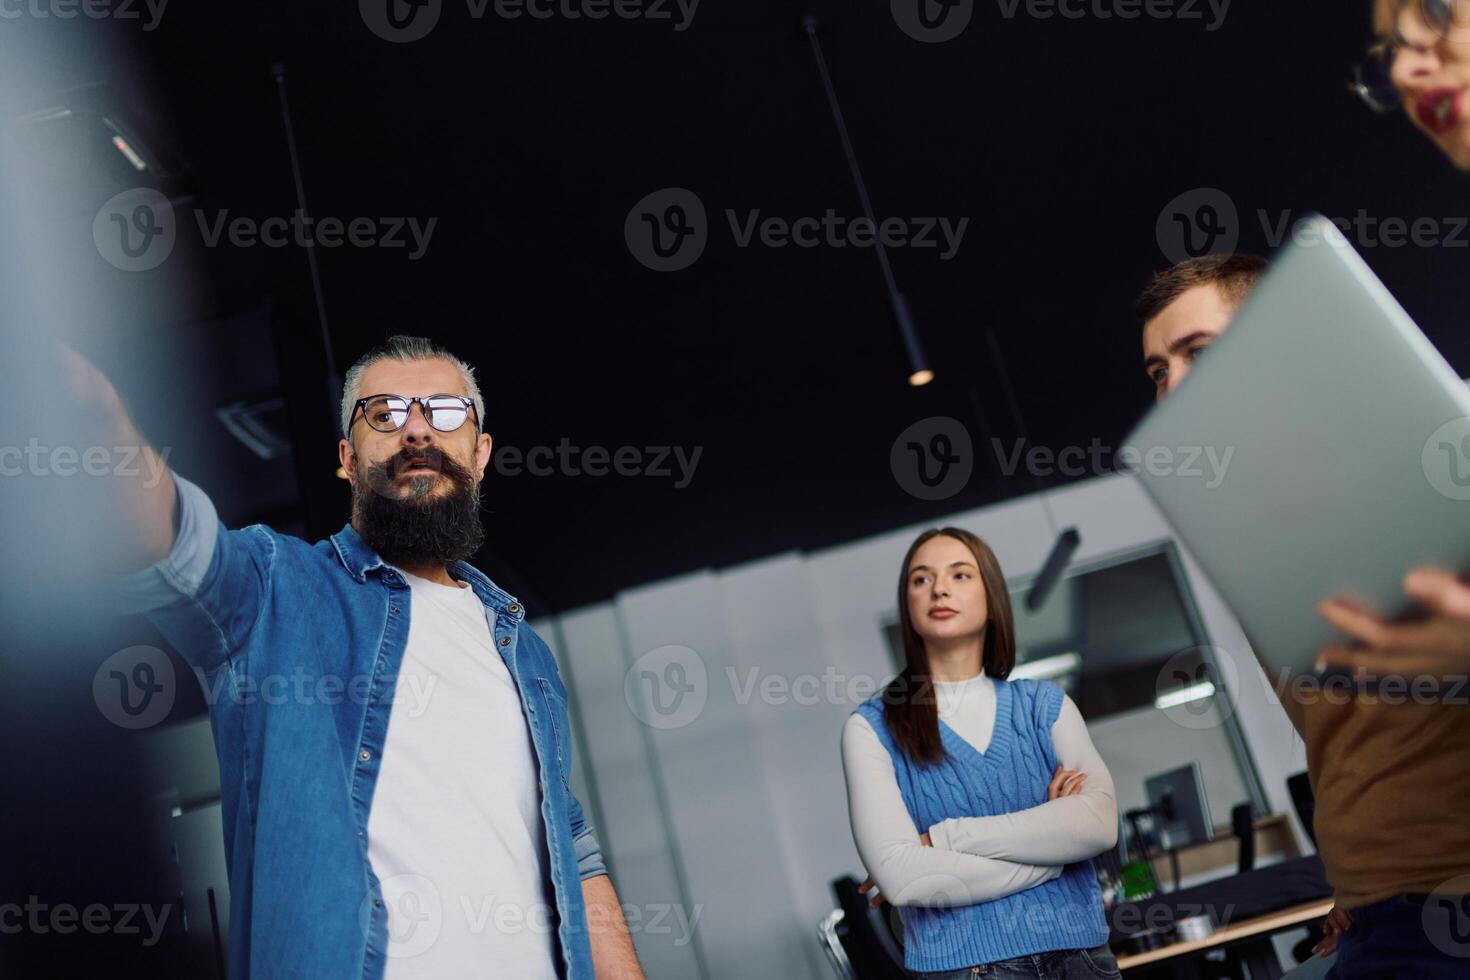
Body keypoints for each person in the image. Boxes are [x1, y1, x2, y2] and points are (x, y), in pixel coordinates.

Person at [72, 335, 644, 979]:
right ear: (347, 458)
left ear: (480, 455)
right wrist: (94, 416)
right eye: (385, 414)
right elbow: (179, 548)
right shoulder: (277, 591)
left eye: (445, 412)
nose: (417, 431)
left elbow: (571, 846)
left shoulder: (523, 650)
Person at [1137, 257, 1470, 976]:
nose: (1173, 390)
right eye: (1158, 372)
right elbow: (1333, 732)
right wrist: (1349, 875)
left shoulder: (1440, 452)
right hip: (1378, 913)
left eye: (1197, 352)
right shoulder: (1264, 541)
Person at [841, 527, 1121, 979]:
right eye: (921, 579)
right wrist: (1052, 855)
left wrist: (945, 838)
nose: (940, 588)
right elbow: (904, 878)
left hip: (1081, 959)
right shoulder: (870, 729)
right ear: (908, 606)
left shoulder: (1043, 706)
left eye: (960, 574)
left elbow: (1099, 825)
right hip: (966, 971)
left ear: (991, 599)